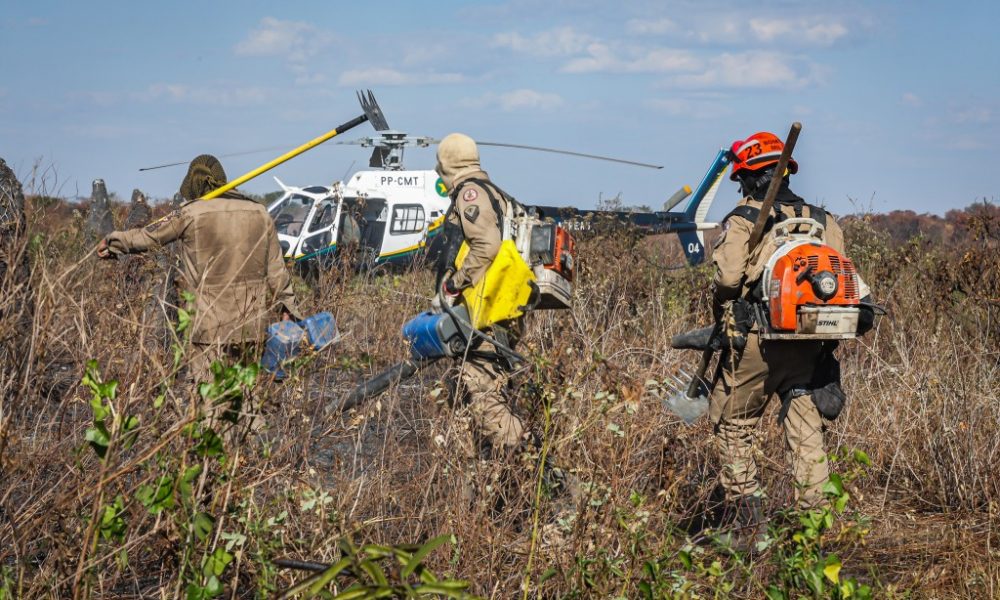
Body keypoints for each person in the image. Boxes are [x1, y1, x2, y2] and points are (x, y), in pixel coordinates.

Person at [708, 131, 872, 545]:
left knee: (734, 424)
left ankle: (747, 528)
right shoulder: (824, 220)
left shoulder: (746, 217)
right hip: (807, 342)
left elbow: (727, 280)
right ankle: (816, 526)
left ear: (748, 176)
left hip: (756, 341)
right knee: (805, 423)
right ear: (786, 171)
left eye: (741, 179)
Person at [97, 155, 301, 430]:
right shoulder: (259, 213)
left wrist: (113, 242)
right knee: (248, 398)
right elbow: (277, 270)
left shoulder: (191, 213)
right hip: (251, 324)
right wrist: (289, 308)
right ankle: (252, 459)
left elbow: (148, 236)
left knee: (210, 402)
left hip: (209, 324)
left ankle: (220, 467)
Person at [434, 133, 530, 458]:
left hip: (486, 317)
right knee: (460, 393)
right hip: (499, 311)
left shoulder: (470, 194)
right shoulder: (496, 194)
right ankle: (474, 482)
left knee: (485, 399)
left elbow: (485, 246)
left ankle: (536, 470)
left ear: (448, 163)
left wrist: (452, 285)